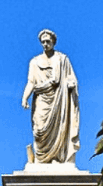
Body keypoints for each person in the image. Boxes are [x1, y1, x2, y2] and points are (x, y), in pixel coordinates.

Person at [22, 30, 80, 164]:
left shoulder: (62, 60)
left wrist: (71, 84)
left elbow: (71, 78)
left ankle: (57, 158)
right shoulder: (34, 62)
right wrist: (25, 97)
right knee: (39, 129)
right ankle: (41, 159)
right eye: (43, 42)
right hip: (41, 98)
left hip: (59, 100)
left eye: (48, 41)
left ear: (53, 42)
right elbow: (31, 82)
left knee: (59, 129)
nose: (45, 44)